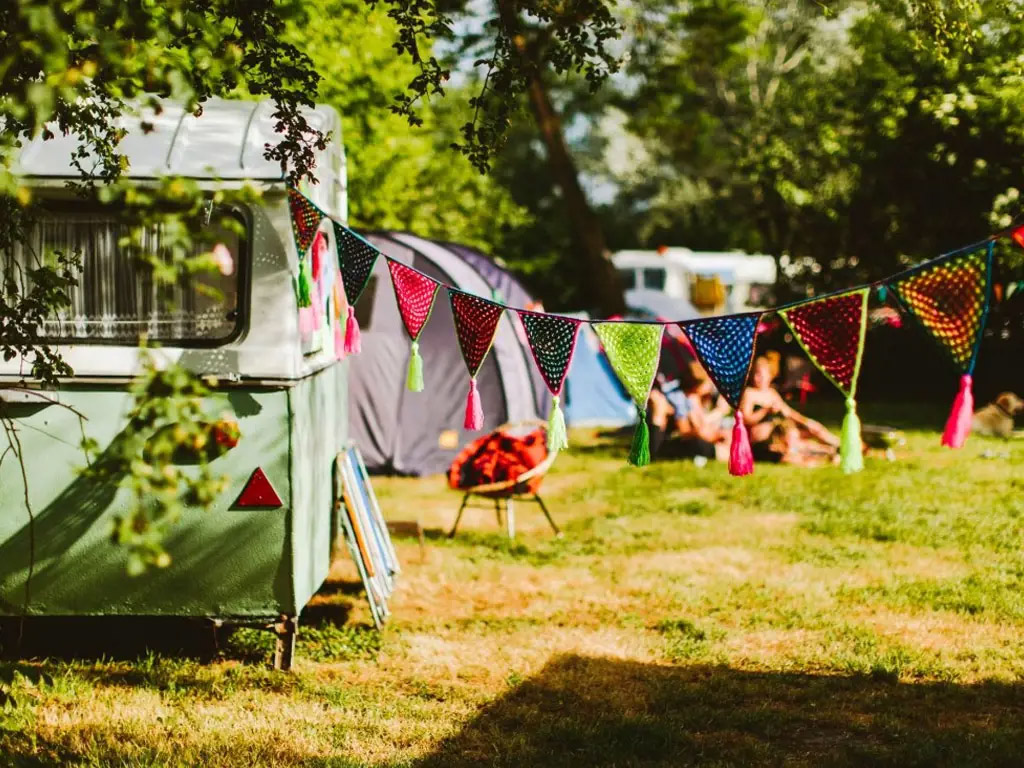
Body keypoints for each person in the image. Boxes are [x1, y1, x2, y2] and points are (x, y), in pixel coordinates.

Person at [740, 356, 839, 465]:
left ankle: (837, 446)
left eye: (762, 374)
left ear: (770, 376)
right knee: (795, 446)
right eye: (756, 374)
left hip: (780, 435)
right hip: (762, 442)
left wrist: (806, 422)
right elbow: (745, 420)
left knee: (811, 429)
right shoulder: (749, 393)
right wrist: (765, 410)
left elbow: (789, 413)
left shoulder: (772, 394)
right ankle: (828, 453)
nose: (758, 378)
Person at [649, 361, 731, 461]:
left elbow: (699, 425)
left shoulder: (692, 397)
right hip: (666, 442)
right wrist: (712, 434)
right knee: (700, 445)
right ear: (696, 385)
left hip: (684, 439)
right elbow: (685, 431)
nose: (711, 387)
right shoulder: (678, 398)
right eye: (708, 384)